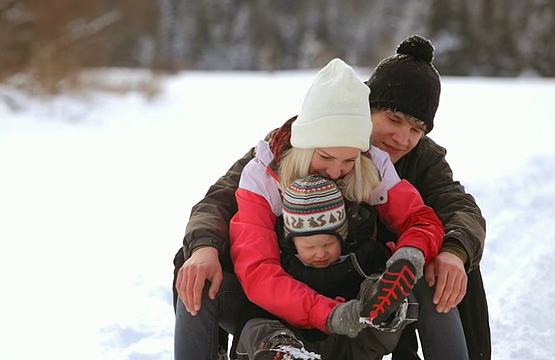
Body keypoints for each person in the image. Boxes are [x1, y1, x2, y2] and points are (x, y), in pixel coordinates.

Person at [173, 35, 489, 360]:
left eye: (416, 128)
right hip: (289, 285)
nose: (403, 137)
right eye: (393, 119)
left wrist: (438, 252)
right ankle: (268, 346)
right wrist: (203, 248)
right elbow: (222, 204)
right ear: (365, 110)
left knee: (449, 268)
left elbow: (448, 209)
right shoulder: (273, 160)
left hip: (365, 279)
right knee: (194, 269)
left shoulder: (383, 163)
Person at [236, 174, 415, 360]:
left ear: (343, 235)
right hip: (295, 339)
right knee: (256, 327)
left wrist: (405, 352)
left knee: (384, 287)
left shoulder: (363, 256)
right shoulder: (282, 263)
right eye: (309, 247)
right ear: (292, 242)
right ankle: (285, 353)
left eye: (329, 243)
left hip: (349, 343)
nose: (321, 253)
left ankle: (382, 312)